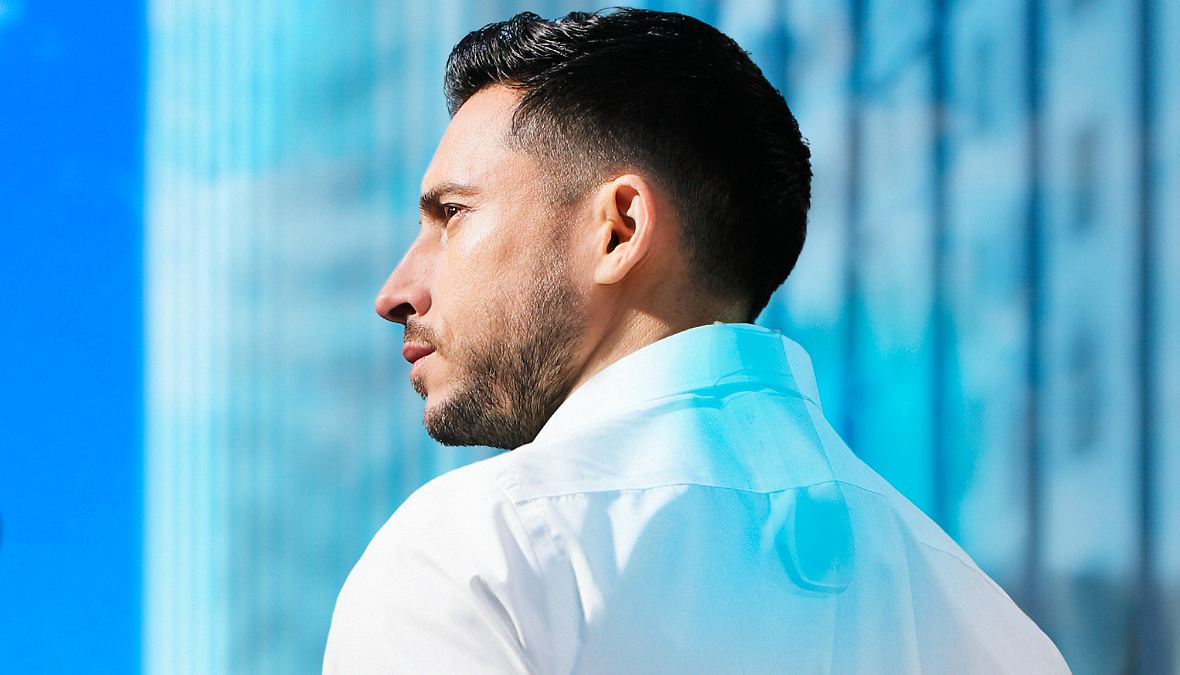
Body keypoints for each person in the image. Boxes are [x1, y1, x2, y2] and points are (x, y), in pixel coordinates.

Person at [323, 8, 1069, 674]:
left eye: (451, 214)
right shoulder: (994, 626)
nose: (396, 292)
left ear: (618, 230)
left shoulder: (478, 557)